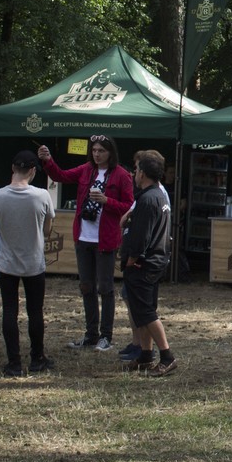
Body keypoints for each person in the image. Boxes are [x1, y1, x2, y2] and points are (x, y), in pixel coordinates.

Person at [38, 135, 133, 352]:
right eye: (94, 150)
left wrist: (107, 201)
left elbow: (129, 204)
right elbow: (60, 175)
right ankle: (91, 335)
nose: (97, 154)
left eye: (101, 151)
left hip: (105, 239)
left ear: (111, 152)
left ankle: (106, 336)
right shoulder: (86, 170)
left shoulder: (121, 175)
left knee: (106, 288)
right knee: (86, 286)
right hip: (83, 237)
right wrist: (47, 159)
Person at [0, 150, 56, 377]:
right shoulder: (42, 196)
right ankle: (37, 358)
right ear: (33, 171)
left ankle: (14, 362)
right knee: (35, 311)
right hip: (34, 262)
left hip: (7, 262)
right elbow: (47, 230)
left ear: (12, 169)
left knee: (10, 310)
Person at [119, 152, 177, 376]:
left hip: (144, 263)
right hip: (156, 260)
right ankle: (145, 355)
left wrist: (131, 259)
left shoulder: (147, 199)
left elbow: (140, 237)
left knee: (146, 312)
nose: (134, 174)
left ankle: (167, 356)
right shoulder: (159, 196)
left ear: (142, 173)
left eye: (136, 170)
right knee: (141, 310)